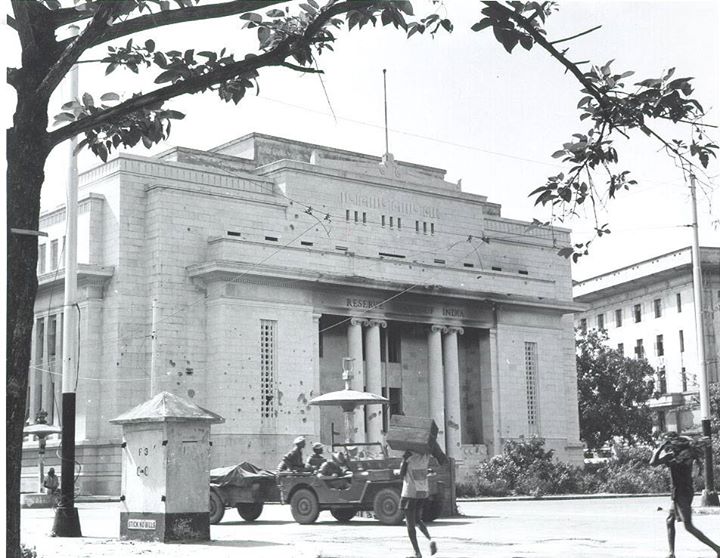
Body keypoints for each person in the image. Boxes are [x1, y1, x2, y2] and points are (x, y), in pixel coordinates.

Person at [649, 432, 720, 558]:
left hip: (683, 493)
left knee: (688, 526)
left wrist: (660, 447)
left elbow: (653, 462)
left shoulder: (683, 457)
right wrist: (661, 447)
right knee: (670, 520)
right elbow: (653, 462)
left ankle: (717, 548)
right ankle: (671, 553)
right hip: (678, 493)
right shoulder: (675, 456)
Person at [400, 449, 437, 558]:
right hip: (422, 492)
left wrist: (404, 460)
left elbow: (402, 473)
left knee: (410, 524)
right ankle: (431, 540)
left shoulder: (409, 455)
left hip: (410, 492)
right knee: (417, 520)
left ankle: (417, 553)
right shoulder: (425, 454)